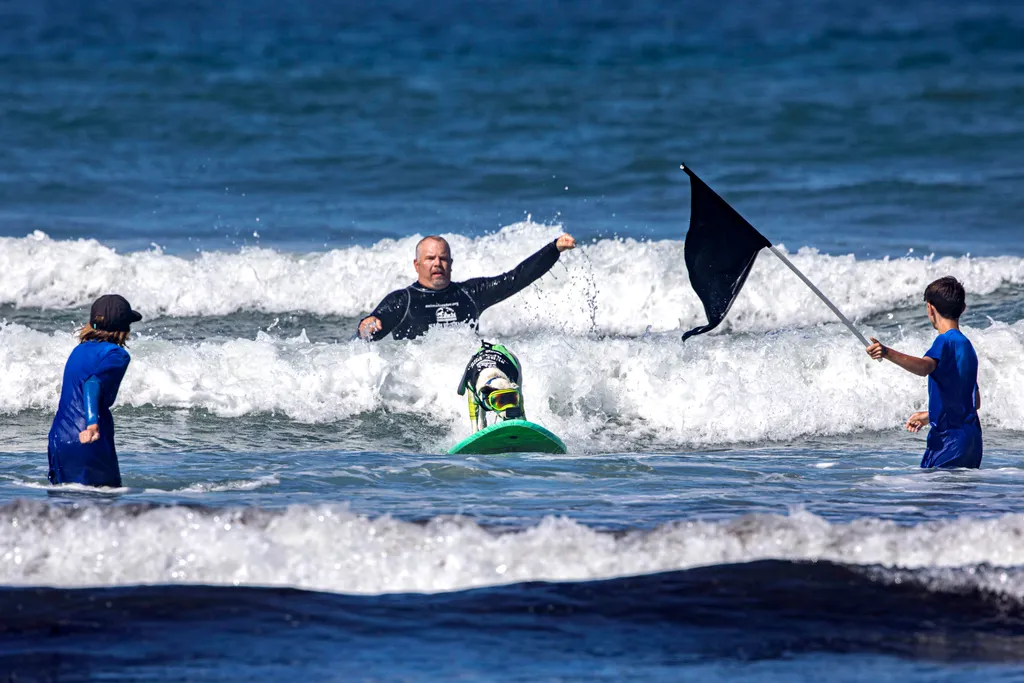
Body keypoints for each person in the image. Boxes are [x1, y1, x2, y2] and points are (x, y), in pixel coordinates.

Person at [358, 233, 576, 340]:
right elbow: (371, 330)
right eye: (430, 258)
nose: (437, 264)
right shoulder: (402, 301)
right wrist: (367, 325)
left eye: (443, 259)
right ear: (417, 265)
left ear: (451, 264)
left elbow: (515, 279)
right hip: (419, 379)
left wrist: (553, 249)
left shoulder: (470, 293)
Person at [866, 276, 982, 468]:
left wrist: (886, 352)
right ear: (962, 308)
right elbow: (973, 402)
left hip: (948, 442)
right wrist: (930, 415)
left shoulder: (945, 341)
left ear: (930, 308)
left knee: (929, 497)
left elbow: (924, 367)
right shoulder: (967, 347)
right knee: (959, 496)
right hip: (972, 442)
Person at [48, 294, 142, 487]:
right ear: (124, 327)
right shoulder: (117, 354)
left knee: (63, 510)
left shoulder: (79, 350)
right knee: (104, 509)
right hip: (90, 438)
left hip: (59, 438)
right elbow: (92, 383)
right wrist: (92, 424)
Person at [457, 341, 526, 432]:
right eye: (500, 402)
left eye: (510, 398)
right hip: (483, 375)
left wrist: (523, 421)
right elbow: (474, 406)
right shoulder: (473, 382)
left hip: (507, 360)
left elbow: (518, 397)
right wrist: (475, 431)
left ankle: (523, 421)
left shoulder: (511, 380)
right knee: (481, 417)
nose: (507, 407)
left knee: (517, 401)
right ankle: (483, 426)